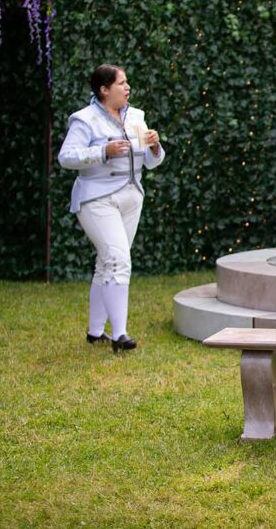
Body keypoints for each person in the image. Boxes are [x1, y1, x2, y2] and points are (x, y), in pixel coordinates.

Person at [57, 64, 165, 352]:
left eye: (127, 82)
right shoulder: (84, 119)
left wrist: (155, 147)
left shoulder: (137, 116)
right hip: (96, 198)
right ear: (104, 90)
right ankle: (120, 335)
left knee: (107, 262)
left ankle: (95, 332)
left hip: (132, 196)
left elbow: (151, 161)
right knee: (118, 260)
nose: (127, 87)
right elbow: (66, 157)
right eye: (121, 83)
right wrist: (103, 151)